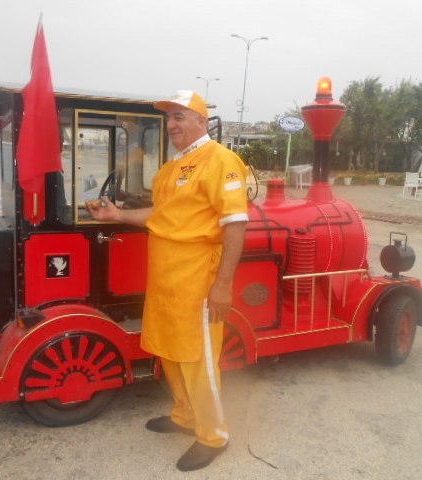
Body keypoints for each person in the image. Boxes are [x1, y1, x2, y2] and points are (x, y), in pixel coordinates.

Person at [86, 90, 249, 471]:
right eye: (168, 118)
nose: (171, 124)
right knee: (171, 352)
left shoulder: (220, 161)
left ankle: (213, 436)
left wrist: (223, 285)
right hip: (166, 280)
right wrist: (116, 216)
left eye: (179, 116)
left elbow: (236, 226)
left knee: (197, 359)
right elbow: (160, 216)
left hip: (197, 278)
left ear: (201, 121)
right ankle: (185, 416)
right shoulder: (173, 166)